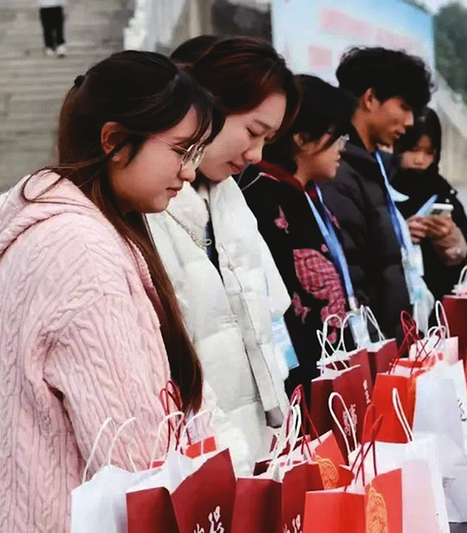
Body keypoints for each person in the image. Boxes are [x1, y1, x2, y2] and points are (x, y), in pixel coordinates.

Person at [0, 50, 220, 531]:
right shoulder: (81, 253)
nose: (188, 173)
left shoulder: (58, 227)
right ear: (115, 141)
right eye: (181, 150)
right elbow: (136, 457)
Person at [147, 37, 301, 473]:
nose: (256, 154)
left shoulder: (232, 201)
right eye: (252, 132)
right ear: (207, 103)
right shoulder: (149, 207)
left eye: (267, 139)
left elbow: (272, 322)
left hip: (260, 453)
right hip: (201, 466)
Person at [239, 75, 356, 394]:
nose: (342, 148)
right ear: (303, 138)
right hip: (301, 378)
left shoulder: (309, 194)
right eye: (337, 137)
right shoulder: (262, 198)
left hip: (334, 360)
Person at [319, 47, 434, 339]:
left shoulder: (370, 165)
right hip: (375, 348)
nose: (410, 122)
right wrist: (379, 353)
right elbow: (351, 277)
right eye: (404, 107)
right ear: (370, 99)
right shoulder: (337, 171)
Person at [393, 107, 467, 302]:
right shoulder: (381, 192)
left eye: (429, 152)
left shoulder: (445, 196)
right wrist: (399, 236)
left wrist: (453, 245)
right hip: (395, 305)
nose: (420, 160)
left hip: (439, 306)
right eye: (413, 149)